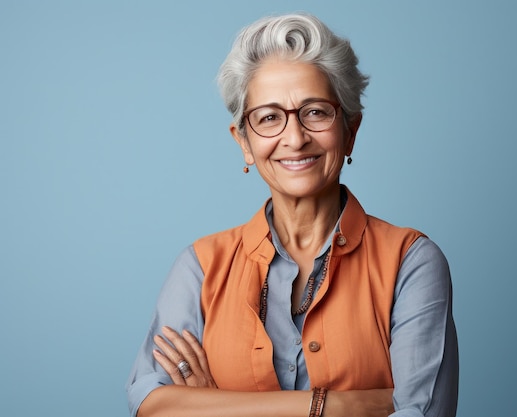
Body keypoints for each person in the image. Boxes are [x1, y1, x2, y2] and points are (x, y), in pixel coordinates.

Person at [126, 12, 458, 417]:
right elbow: (152, 406)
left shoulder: (411, 262)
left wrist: (213, 404)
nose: (295, 138)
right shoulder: (199, 267)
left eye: (315, 112)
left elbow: (421, 413)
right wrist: (340, 406)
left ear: (350, 130)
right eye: (269, 118)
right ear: (244, 142)